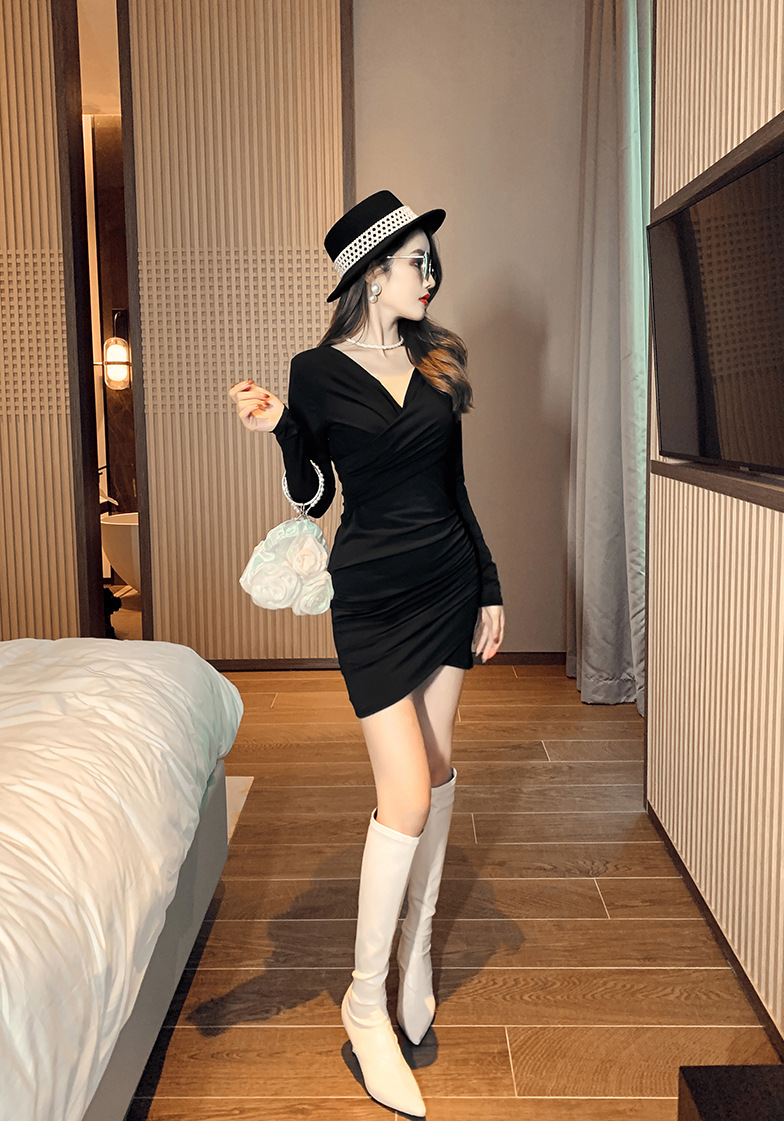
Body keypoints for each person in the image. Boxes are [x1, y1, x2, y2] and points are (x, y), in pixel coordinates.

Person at [229, 190, 505, 1117]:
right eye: (416, 261)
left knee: (438, 765)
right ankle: (363, 1001)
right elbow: (314, 495)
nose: (430, 275)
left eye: (430, 261)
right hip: (374, 601)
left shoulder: (438, 358)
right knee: (408, 794)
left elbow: (455, 487)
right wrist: (281, 428)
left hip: (449, 583)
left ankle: (415, 949)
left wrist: (491, 584)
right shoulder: (314, 372)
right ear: (372, 272)